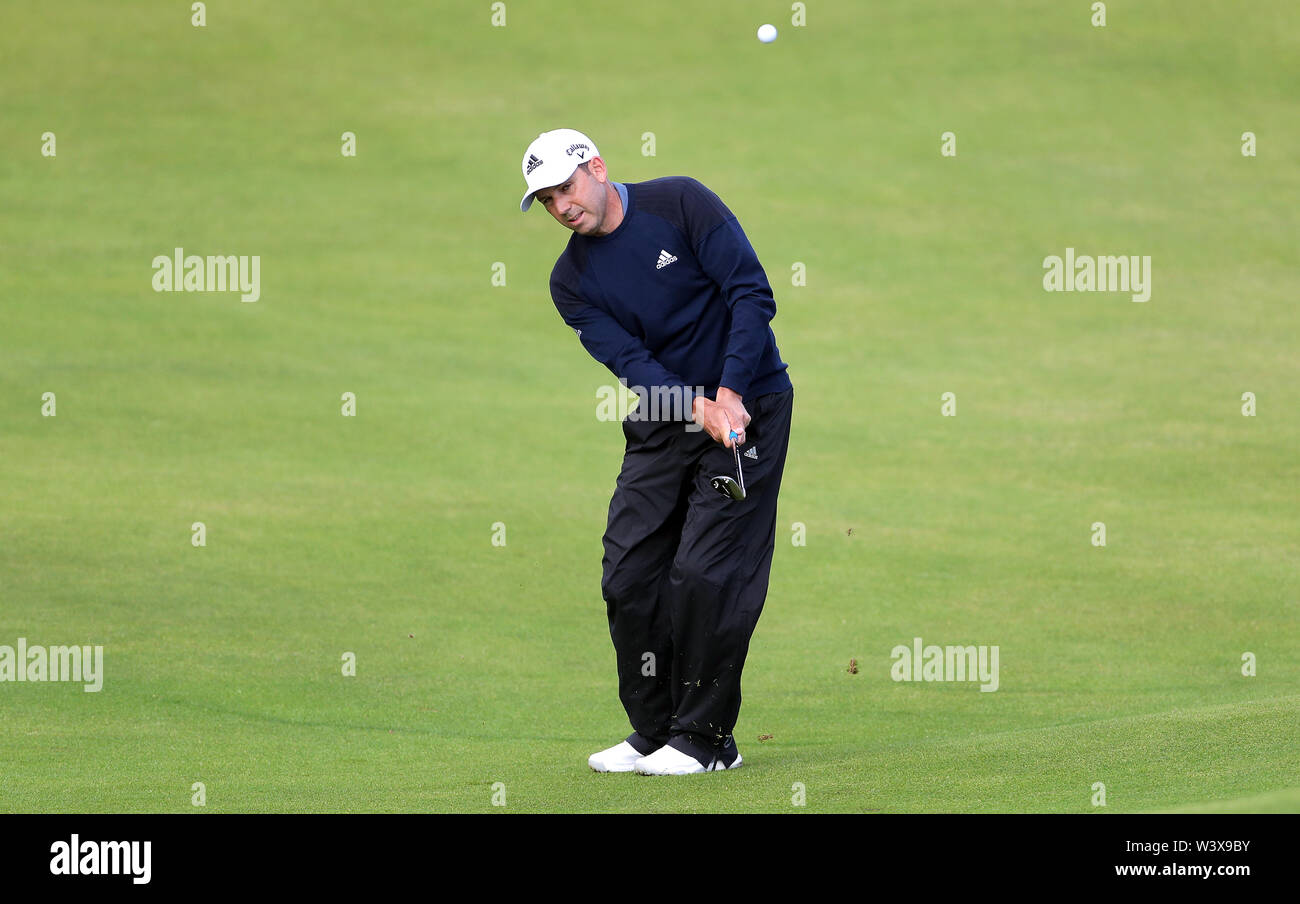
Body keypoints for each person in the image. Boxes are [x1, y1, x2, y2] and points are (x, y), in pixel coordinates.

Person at [519, 128, 794, 775]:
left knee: (705, 572)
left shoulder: (681, 203)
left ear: (597, 169)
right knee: (628, 574)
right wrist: (697, 406)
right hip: (667, 421)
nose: (561, 207)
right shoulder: (571, 282)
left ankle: (706, 741)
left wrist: (728, 390)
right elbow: (631, 362)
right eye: (546, 200)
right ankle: (655, 728)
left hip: (750, 408)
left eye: (565, 188)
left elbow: (752, 294)